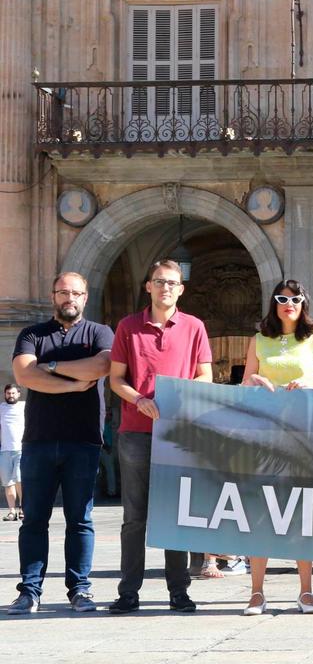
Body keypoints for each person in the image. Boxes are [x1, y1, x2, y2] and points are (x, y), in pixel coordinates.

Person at [108, 260, 213, 615]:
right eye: (159, 282)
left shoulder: (194, 327)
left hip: (178, 435)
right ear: (148, 287)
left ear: (181, 289)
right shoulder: (128, 327)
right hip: (136, 432)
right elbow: (116, 379)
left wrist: (177, 396)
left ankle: (178, 592)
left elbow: (206, 377)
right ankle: (128, 592)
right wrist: (139, 399)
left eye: (172, 282)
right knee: (134, 517)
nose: (165, 288)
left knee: (175, 516)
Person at [9, 272, 114, 614]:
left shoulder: (99, 333)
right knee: (34, 519)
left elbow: (101, 365)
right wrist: (71, 384)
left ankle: (80, 590)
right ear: (53, 295)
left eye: (76, 293)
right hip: (38, 440)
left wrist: (50, 367)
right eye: (63, 292)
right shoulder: (31, 334)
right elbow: (24, 374)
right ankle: (29, 591)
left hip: (84, 440)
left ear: (85, 297)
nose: (69, 298)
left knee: (80, 520)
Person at [240, 279, 313, 616]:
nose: (288, 304)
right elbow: (245, 383)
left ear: (303, 304)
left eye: (295, 299)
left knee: (301, 511)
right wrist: (256, 381)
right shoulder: (258, 340)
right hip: (265, 433)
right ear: (274, 303)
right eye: (282, 299)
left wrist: (309, 384)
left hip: (303, 433)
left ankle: (306, 591)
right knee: (262, 510)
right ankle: (256, 592)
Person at [1, 384, 24, 521]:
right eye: (8, 393)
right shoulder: (1, 408)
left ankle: (23, 508)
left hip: (21, 449)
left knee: (20, 479)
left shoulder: (24, 406)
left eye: (13, 393)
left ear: (19, 394)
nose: (11, 395)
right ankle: (11, 511)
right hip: (4, 450)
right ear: (5, 394)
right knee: (8, 483)